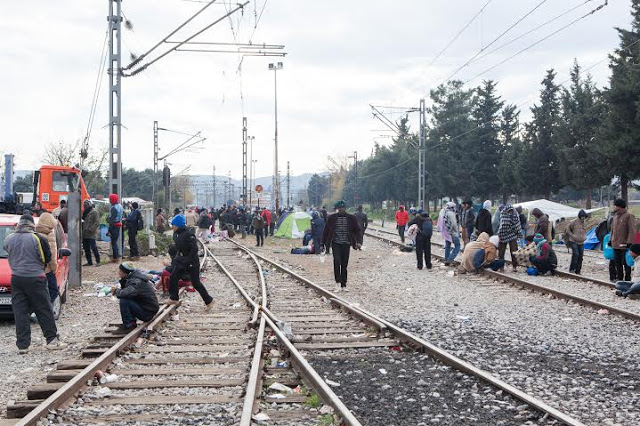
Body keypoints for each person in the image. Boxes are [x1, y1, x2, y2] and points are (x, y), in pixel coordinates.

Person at [3, 214, 67, 353]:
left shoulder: (9, 238)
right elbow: (48, 257)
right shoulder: (38, 238)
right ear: (32, 224)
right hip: (36, 278)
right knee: (43, 308)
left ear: (20, 224)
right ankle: (52, 340)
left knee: (20, 311)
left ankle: (23, 345)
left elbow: (7, 251)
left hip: (16, 278)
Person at [168, 215, 215, 311]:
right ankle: (174, 298)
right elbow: (179, 249)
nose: (172, 226)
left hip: (192, 262)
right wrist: (177, 258)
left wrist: (187, 261)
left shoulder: (189, 234)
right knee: (173, 277)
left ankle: (209, 301)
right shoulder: (176, 234)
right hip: (181, 260)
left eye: (173, 224)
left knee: (196, 283)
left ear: (178, 225)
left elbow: (194, 250)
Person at [321, 200, 362, 291]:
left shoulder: (351, 218)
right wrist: (322, 243)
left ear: (345, 208)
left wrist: (359, 242)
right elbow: (326, 231)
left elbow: (357, 230)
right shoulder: (332, 218)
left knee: (344, 264)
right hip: (336, 243)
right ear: (337, 209)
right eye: (339, 208)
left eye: (343, 208)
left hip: (346, 244)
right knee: (337, 261)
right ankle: (338, 282)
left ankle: (344, 284)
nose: (341, 210)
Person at [111, 262, 160, 333]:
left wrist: (116, 291)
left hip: (147, 313)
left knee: (124, 300)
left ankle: (129, 326)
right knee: (127, 298)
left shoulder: (135, 281)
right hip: (149, 309)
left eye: (120, 271)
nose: (118, 273)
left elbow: (125, 293)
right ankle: (131, 322)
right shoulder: (134, 277)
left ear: (125, 273)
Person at [35, 212, 59, 302]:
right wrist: (54, 268)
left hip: (35, 270)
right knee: (53, 293)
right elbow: (52, 254)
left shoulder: (34, 232)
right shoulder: (49, 234)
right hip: (47, 270)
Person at [610, 198, 636, 282]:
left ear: (621, 207)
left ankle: (627, 278)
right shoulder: (615, 216)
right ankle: (619, 278)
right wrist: (611, 240)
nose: (616, 208)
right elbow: (612, 230)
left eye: (617, 206)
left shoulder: (629, 216)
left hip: (624, 244)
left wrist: (629, 242)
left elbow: (632, 230)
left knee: (626, 262)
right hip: (615, 244)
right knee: (617, 262)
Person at [497, 204, 521, 272]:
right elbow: (502, 225)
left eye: (511, 211)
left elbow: (518, 225)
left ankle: (514, 266)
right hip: (503, 234)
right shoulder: (503, 214)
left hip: (513, 235)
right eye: (509, 211)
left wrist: (518, 234)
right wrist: (499, 235)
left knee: (514, 251)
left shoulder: (515, 215)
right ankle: (501, 266)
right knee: (501, 252)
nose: (510, 212)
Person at [565, 210, 588, 274]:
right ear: (579, 216)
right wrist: (572, 235)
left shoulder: (585, 223)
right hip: (573, 241)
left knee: (581, 256)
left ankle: (578, 270)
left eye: (584, 217)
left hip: (581, 241)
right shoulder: (573, 222)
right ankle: (572, 269)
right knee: (576, 254)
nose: (583, 218)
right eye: (582, 217)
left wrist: (584, 236)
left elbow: (585, 230)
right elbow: (567, 230)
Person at [82, 200, 101, 267]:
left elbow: (97, 222)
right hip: (84, 233)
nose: (85, 206)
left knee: (93, 247)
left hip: (91, 233)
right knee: (86, 248)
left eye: (86, 205)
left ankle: (98, 261)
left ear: (89, 205)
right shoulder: (84, 213)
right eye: (84, 205)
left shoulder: (94, 212)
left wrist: (91, 229)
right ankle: (89, 262)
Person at [107, 193, 124, 263]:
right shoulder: (120, 206)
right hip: (118, 225)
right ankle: (116, 257)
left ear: (112, 200)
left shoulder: (114, 208)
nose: (109, 201)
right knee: (115, 241)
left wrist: (107, 220)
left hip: (114, 225)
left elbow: (112, 219)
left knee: (114, 242)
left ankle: (115, 257)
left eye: (110, 199)